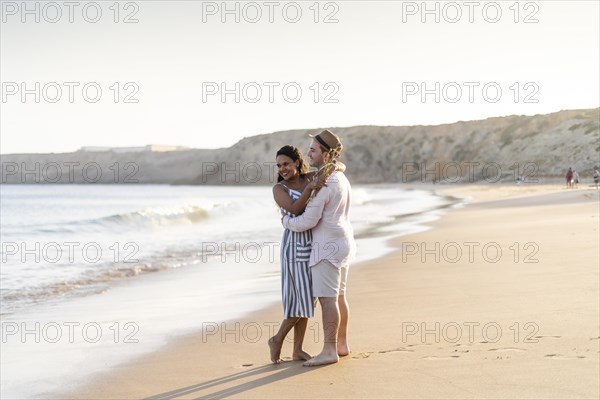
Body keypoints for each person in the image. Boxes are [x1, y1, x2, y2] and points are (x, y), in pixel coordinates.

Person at [282, 130, 356, 367]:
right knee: (340, 297)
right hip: (344, 243)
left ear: (326, 154)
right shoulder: (340, 177)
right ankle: (341, 344)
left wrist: (285, 222)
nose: (309, 153)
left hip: (326, 247)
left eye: (313, 149)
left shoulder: (325, 183)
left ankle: (329, 351)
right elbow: (339, 166)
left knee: (327, 300)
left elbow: (306, 221)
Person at [268, 145, 343, 364]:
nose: (283, 169)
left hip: (312, 243)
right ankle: (276, 339)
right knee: (300, 300)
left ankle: (297, 350)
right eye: (279, 165)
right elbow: (294, 209)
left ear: (297, 162)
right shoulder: (279, 188)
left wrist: (335, 166)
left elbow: (336, 166)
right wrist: (310, 188)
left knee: (308, 298)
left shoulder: (309, 177)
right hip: (294, 247)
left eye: (286, 164)